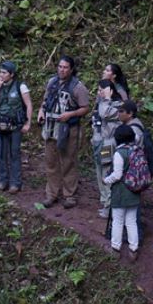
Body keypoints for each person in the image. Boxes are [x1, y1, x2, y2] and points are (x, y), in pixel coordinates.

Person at [38, 55, 91, 207]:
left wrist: (70, 114)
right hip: (51, 127)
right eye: (60, 67)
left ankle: (70, 195)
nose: (62, 70)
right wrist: (41, 111)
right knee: (50, 160)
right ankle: (51, 194)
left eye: (65, 67)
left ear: (71, 69)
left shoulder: (78, 87)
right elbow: (45, 100)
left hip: (68, 129)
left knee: (68, 161)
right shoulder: (52, 82)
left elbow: (85, 108)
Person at [0, 60, 33, 193]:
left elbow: (28, 104)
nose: (1, 75)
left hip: (15, 126)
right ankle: (2, 180)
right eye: (0, 72)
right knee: (1, 153)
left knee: (14, 153)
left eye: (4, 73)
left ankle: (15, 183)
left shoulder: (20, 86)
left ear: (11, 74)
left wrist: (28, 122)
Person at [88, 71, 128, 218]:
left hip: (108, 145)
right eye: (98, 90)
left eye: (102, 90)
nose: (100, 93)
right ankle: (105, 202)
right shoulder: (100, 104)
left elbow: (105, 114)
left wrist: (107, 98)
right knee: (99, 172)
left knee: (106, 172)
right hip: (98, 143)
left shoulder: (117, 106)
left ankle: (110, 205)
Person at [103, 125, 141, 258]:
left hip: (121, 192)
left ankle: (115, 248)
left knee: (118, 221)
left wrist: (106, 180)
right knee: (131, 221)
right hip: (135, 191)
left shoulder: (120, 153)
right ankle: (133, 249)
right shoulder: (136, 150)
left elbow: (117, 175)